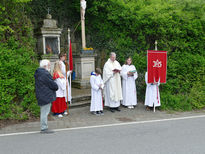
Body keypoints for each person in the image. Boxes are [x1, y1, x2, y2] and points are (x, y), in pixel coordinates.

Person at [34, 59, 58, 134]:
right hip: (45, 95)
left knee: (44, 111)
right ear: (45, 66)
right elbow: (52, 84)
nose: (50, 66)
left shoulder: (39, 73)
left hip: (41, 94)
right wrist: (56, 86)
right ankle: (44, 128)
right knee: (45, 112)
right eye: (49, 65)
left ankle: (44, 127)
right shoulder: (45, 74)